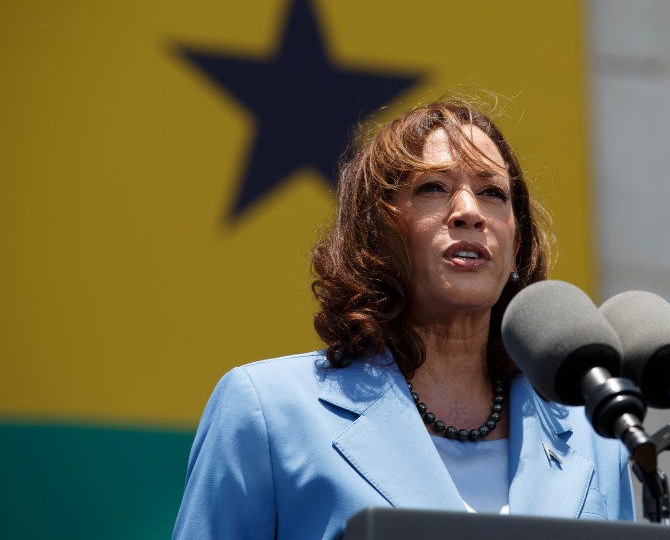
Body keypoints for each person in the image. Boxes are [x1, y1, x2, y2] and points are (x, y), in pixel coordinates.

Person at [172, 97, 635, 540]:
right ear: (377, 234)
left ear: (516, 245)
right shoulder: (267, 412)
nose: (469, 212)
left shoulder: (597, 434)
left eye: (492, 192)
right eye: (433, 187)